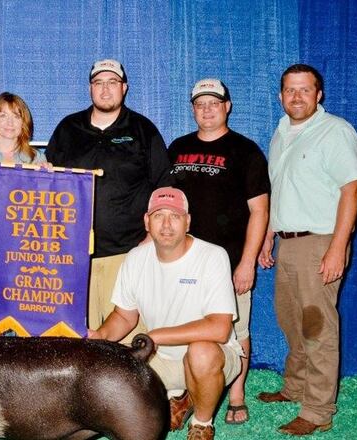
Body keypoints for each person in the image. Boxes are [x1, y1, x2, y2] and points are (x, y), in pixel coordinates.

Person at [257, 64, 357, 436]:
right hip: (287, 242)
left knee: (318, 329)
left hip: (320, 242)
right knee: (291, 322)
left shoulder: (335, 131)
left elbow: (351, 189)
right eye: (290, 90)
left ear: (319, 94)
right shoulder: (282, 132)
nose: (297, 96)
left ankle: (318, 410)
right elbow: (281, 190)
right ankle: (295, 387)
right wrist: (269, 235)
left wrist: (338, 247)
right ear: (280, 95)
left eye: (305, 90)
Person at [89, 187, 241, 440]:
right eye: (159, 215)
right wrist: (100, 335)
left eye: (175, 216)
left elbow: (219, 328)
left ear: (188, 221)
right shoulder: (136, 258)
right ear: (147, 221)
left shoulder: (212, 256)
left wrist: (155, 336)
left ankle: (202, 424)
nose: (167, 225)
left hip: (215, 357)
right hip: (159, 356)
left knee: (200, 351)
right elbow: (125, 316)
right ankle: (178, 395)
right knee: (109, 366)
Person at [167, 78, 270, 424]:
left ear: (227, 106)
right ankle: (184, 394)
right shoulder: (178, 148)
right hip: (182, 261)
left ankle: (237, 393)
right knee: (184, 328)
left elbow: (259, 211)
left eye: (214, 102)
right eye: (200, 103)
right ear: (193, 109)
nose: (207, 109)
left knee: (236, 330)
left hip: (229, 262)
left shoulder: (246, 151)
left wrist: (247, 263)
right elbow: (164, 204)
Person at [46, 59, 172, 338]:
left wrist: (150, 239)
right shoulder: (68, 128)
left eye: (112, 83)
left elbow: (165, 189)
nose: (105, 90)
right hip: (74, 256)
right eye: (98, 83)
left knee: (130, 340)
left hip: (127, 254)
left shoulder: (142, 129)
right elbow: (49, 183)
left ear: (124, 88)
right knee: (78, 338)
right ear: (90, 89)